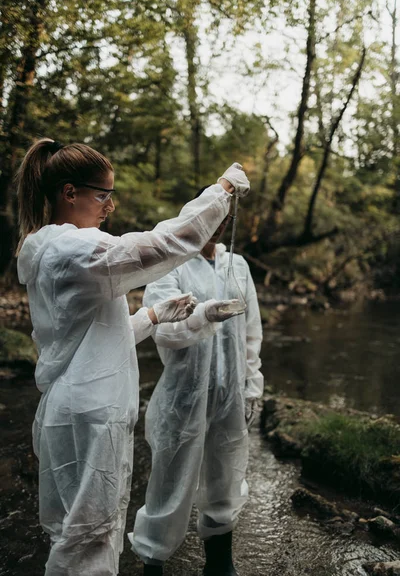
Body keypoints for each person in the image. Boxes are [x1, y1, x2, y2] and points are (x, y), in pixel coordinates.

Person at [15, 138, 250, 576]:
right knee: (87, 540)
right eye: (103, 194)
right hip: (90, 414)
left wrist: (152, 316)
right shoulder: (75, 250)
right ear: (70, 193)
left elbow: (91, 336)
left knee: (81, 533)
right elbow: (167, 244)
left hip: (79, 407)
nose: (110, 206)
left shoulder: (57, 248)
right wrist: (222, 191)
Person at [129, 186, 264, 576]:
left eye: (226, 218)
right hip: (183, 397)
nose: (219, 226)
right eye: (212, 216)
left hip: (230, 395)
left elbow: (251, 333)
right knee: (169, 487)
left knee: (225, 480)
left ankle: (220, 565)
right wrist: (204, 314)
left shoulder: (238, 265)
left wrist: (251, 384)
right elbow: (164, 332)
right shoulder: (171, 264)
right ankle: (153, 562)